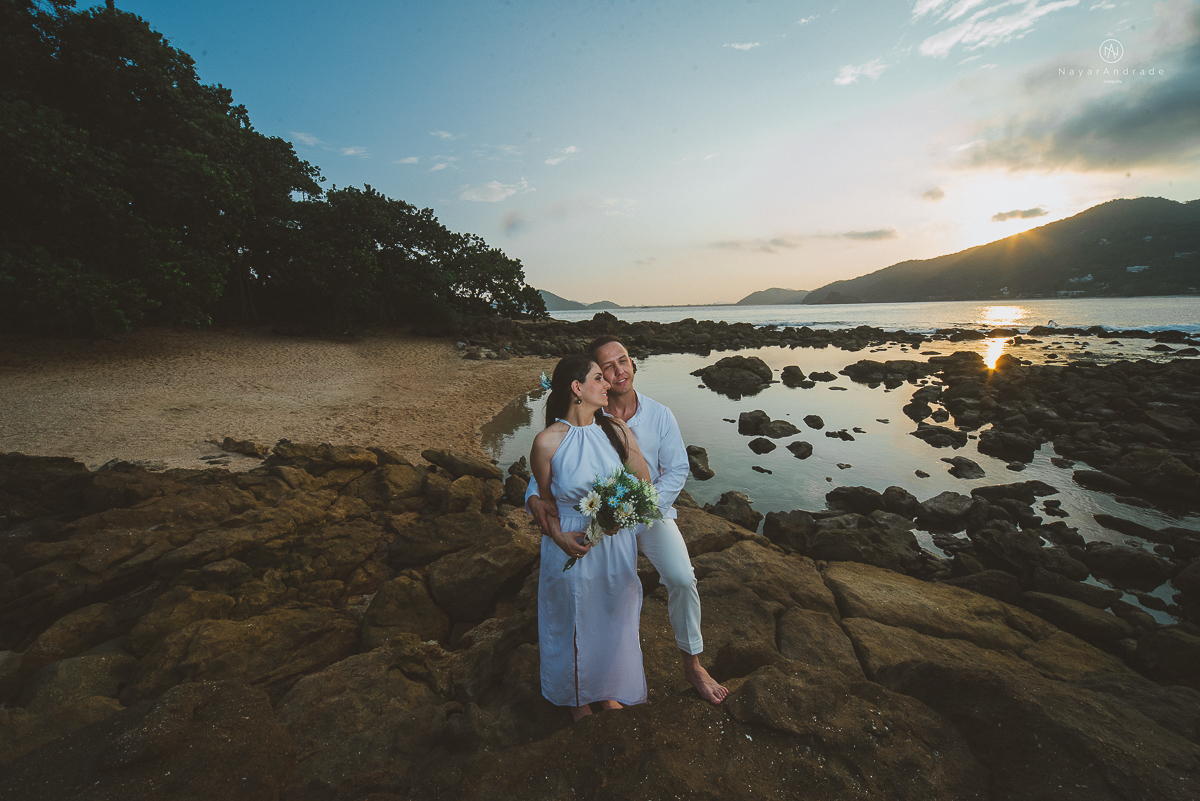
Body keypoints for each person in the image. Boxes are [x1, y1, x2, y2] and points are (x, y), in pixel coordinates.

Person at [527, 336, 729, 705]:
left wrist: (633, 511)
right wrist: (541, 509)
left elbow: (676, 470)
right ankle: (587, 684)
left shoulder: (658, 415)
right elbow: (547, 480)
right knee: (596, 595)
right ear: (590, 379)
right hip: (595, 519)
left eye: (623, 360)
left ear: (632, 362)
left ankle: (693, 664)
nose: (618, 371)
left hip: (649, 514)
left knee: (682, 578)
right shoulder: (569, 429)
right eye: (607, 368)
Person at [530, 354, 651, 722]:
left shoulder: (616, 431)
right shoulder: (546, 442)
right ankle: (577, 696)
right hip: (571, 542)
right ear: (576, 388)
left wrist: (621, 514)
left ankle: (608, 689)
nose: (607, 383)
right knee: (571, 619)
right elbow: (546, 503)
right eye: (598, 377)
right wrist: (558, 537)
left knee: (613, 616)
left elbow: (642, 486)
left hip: (614, 543)